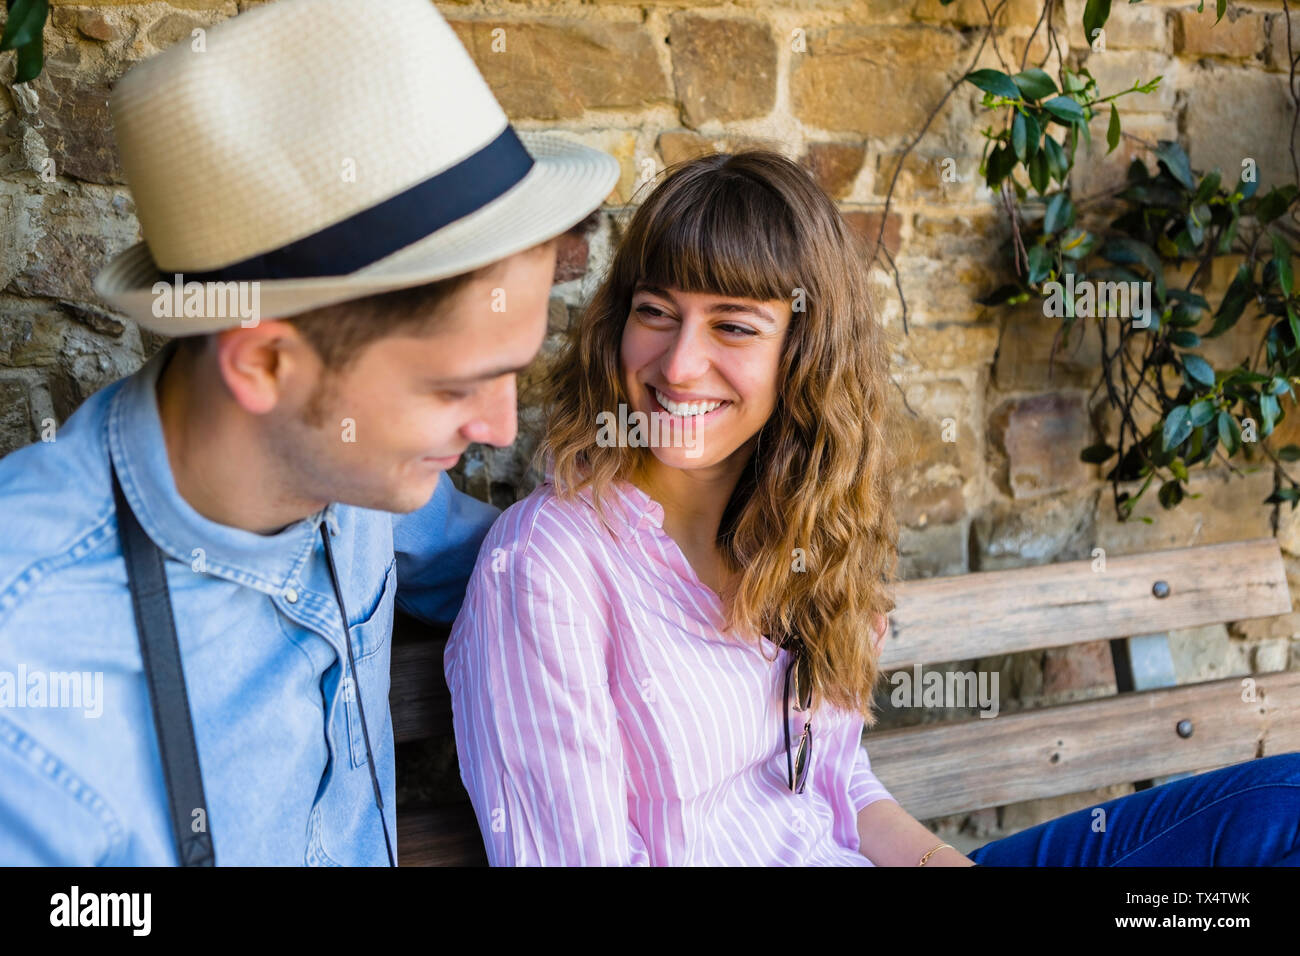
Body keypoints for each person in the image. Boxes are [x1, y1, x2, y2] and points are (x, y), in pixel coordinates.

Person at [444, 147, 1300, 866]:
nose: (676, 365)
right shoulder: (547, 567)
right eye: (655, 313)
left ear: (803, 355)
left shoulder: (789, 529)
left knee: (1279, 810)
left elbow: (833, 782)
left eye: (733, 327)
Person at [0, 0, 618, 866]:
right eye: (454, 386)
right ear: (262, 366)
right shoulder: (28, 687)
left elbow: (516, 560)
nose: (500, 427)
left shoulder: (360, 473)